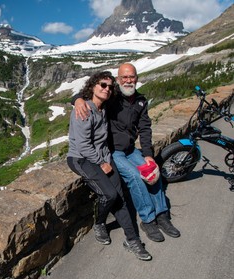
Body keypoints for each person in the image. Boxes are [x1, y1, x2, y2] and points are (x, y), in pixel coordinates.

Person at [72, 63, 180, 243]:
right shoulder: (112, 97)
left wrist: (147, 155)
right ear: (118, 80)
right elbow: (90, 93)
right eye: (124, 78)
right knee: (135, 178)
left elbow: (145, 128)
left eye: (132, 77)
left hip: (131, 150)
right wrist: (77, 99)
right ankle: (148, 219)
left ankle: (162, 215)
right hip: (114, 152)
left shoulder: (140, 101)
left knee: (152, 171)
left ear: (137, 78)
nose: (128, 81)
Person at [67, 71, 152, 261]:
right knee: (109, 194)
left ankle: (132, 240)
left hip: (102, 157)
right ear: (93, 86)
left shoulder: (103, 109)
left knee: (120, 197)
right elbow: (83, 145)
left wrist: (104, 159)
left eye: (110, 86)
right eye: (102, 85)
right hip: (81, 159)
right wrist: (102, 162)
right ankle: (99, 223)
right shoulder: (84, 110)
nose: (107, 89)